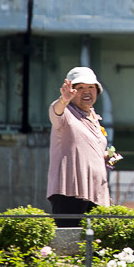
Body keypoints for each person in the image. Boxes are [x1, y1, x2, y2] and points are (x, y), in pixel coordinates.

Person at [46, 66, 111, 227]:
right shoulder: (66, 112)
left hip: (97, 192)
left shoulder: (94, 117)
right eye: (80, 87)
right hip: (70, 190)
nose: (86, 91)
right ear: (71, 91)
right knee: (69, 243)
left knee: (96, 245)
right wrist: (64, 99)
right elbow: (56, 112)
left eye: (91, 87)